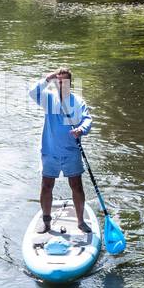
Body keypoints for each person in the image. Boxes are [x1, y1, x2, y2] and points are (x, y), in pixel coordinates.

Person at [28, 68, 93, 234]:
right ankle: (46, 222)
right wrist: (48, 78)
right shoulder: (48, 98)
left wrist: (81, 130)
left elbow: (87, 120)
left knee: (76, 186)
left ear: (70, 84)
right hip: (50, 151)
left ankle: (80, 222)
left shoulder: (77, 102)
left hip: (71, 151)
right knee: (46, 186)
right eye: (58, 81)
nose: (61, 84)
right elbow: (32, 92)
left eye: (64, 81)